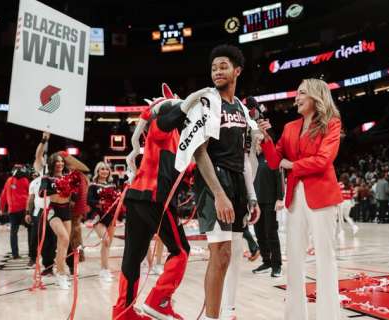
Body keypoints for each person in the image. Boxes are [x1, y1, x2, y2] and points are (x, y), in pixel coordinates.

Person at [112, 84, 202, 320]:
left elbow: (184, 171)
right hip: (154, 199)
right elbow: (172, 115)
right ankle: (158, 301)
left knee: (133, 256)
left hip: (136, 198)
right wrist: (194, 99)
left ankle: (124, 312)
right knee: (181, 251)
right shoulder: (160, 127)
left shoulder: (175, 140)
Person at [258, 78, 343, 320]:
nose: (296, 98)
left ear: (317, 96)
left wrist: (292, 165)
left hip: (323, 197)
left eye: (302, 93)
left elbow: (324, 160)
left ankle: (329, 316)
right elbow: (275, 161)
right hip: (295, 198)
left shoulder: (331, 124)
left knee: (325, 258)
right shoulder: (289, 127)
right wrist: (265, 139)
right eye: (296, 93)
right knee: (294, 259)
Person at [191, 45, 260, 320]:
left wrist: (251, 195)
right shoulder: (208, 103)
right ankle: (211, 317)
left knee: (231, 254)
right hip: (215, 179)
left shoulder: (242, 109)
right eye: (214, 67)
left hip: (237, 181)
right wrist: (219, 194)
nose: (217, 71)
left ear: (237, 70)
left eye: (223, 66)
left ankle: (229, 312)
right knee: (219, 254)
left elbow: (244, 158)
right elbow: (199, 151)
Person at [39, 149, 89, 290]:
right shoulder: (47, 178)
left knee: (64, 244)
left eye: (62, 161)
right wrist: (56, 189)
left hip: (66, 211)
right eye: (57, 161)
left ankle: (60, 272)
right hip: (53, 211)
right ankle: (61, 274)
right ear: (52, 163)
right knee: (64, 238)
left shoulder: (68, 177)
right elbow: (41, 193)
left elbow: (83, 171)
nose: (60, 164)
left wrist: (72, 192)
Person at [252, 134, 285, 277]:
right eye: (256, 141)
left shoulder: (272, 156)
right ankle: (266, 261)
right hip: (255, 203)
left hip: (270, 201)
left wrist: (279, 198)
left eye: (260, 140)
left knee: (271, 233)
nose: (258, 143)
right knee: (259, 234)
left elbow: (280, 178)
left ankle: (277, 265)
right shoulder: (252, 160)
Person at [87, 161, 116, 282]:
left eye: (106, 169)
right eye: (101, 169)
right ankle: (105, 270)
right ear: (97, 171)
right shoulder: (93, 185)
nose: (104, 171)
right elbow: (89, 200)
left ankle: (104, 269)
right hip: (98, 217)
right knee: (106, 240)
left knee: (107, 244)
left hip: (111, 216)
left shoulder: (113, 185)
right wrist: (100, 204)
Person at [0, 165, 31, 259]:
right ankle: (32, 252)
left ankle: (15, 254)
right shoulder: (25, 180)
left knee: (14, 232)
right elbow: (31, 194)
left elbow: (3, 195)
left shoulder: (9, 180)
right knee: (30, 230)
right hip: (23, 210)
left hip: (13, 210)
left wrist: (2, 209)